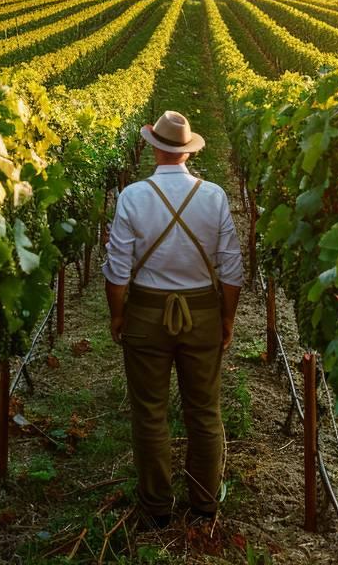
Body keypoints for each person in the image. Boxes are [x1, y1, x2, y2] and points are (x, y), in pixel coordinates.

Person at [103, 110, 243, 528]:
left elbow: (116, 270)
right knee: (204, 410)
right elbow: (232, 270)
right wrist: (227, 320)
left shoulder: (132, 196)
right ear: (187, 152)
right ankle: (203, 503)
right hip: (201, 313)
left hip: (146, 313)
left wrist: (117, 315)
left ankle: (156, 506)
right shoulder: (214, 196)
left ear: (153, 148)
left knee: (149, 411)